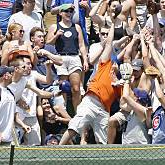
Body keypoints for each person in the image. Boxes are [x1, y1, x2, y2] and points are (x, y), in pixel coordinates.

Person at [59, 14, 122, 145]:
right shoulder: (105, 64)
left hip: (104, 109)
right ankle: (58, 149)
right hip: (91, 101)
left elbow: (122, 101)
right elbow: (109, 43)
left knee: (103, 141)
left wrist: (118, 82)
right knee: (76, 125)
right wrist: (113, 24)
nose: (115, 63)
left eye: (117, 63)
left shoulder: (119, 82)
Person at [46, 3, 88, 112]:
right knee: (63, 88)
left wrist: (85, 60)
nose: (69, 13)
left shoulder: (76, 27)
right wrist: (56, 36)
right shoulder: (54, 26)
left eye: (71, 11)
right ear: (60, 13)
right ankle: (64, 114)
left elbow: (82, 45)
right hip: (60, 58)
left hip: (74, 57)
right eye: (66, 11)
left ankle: (78, 115)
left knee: (76, 88)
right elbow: (48, 44)